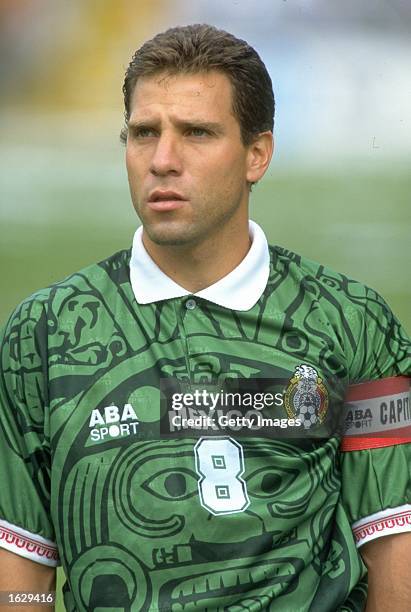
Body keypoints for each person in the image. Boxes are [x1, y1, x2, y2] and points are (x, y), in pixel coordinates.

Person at [0, 23, 410, 612]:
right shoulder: (40, 335)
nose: (163, 160)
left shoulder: (355, 323)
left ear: (256, 155)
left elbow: (396, 541)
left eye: (196, 133)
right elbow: (21, 574)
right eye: (144, 133)